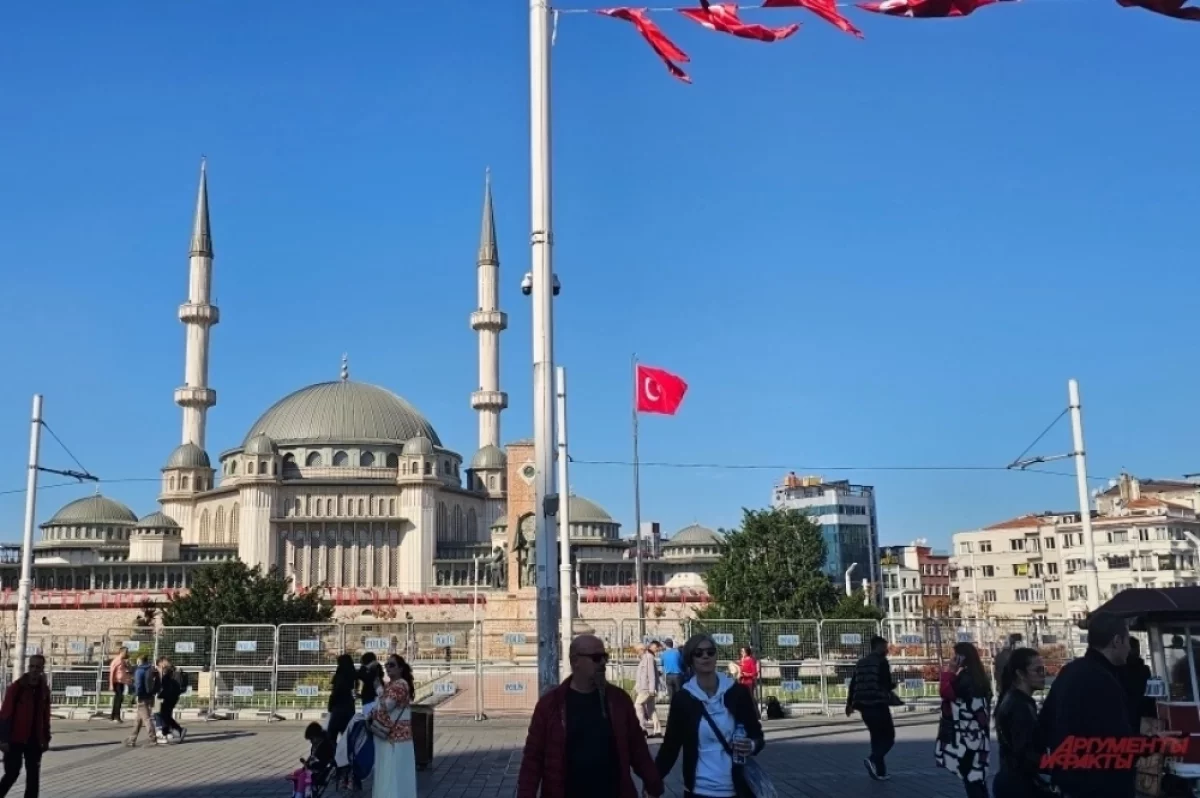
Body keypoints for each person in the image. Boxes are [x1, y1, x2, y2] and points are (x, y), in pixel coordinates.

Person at [517, 634, 663, 798]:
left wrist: (653, 783)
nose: (603, 663)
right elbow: (533, 757)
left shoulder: (618, 700)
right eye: (596, 658)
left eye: (604, 657)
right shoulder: (551, 705)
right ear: (575, 661)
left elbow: (637, 748)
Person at [1038, 611, 1135, 798]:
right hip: (1101, 785)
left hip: (1069, 782)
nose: (1129, 648)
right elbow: (1119, 742)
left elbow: (1044, 725)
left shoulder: (1069, 671)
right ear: (1117, 641)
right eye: (1128, 640)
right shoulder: (1104, 680)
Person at [656, 633, 765, 798]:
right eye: (698, 653)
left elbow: (756, 735)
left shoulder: (737, 692)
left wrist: (751, 745)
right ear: (690, 659)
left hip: (735, 789)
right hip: (699, 790)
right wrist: (653, 781)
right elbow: (670, 746)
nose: (705, 656)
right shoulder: (684, 698)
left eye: (710, 652)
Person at [994, 648, 1054, 798]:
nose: (1043, 675)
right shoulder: (1020, 706)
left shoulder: (1013, 699)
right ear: (1020, 674)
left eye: (1044, 669)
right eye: (1038, 670)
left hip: (1012, 781)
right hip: (1019, 786)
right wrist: (1056, 765)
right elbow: (1025, 753)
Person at [935, 642, 993, 798]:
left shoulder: (965, 678)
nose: (952, 659)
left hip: (966, 733)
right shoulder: (980, 676)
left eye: (954, 655)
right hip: (978, 732)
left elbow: (946, 692)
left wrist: (950, 672)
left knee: (970, 776)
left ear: (962, 657)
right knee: (977, 776)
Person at [846, 636, 897, 781]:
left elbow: (853, 684)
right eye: (884, 647)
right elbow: (886, 684)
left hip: (863, 706)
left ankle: (881, 772)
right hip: (878, 704)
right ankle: (872, 759)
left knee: (876, 738)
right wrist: (893, 685)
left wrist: (849, 704)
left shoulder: (861, 663)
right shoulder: (882, 662)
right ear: (878, 647)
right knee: (889, 738)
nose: (886, 650)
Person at [0, 654, 51, 798]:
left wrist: (46, 738)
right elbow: (5, 714)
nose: (34, 670)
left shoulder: (44, 690)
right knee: (12, 773)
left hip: (35, 740)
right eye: (32, 666)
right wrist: (3, 739)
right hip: (15, 739)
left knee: (33, 777)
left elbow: (46, 716)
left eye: (38, 667)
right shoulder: (17, 688)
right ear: (28, 667)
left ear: (42, 669)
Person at [369, 654, 418, 798]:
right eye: (386, 665)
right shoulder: (391, 685)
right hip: (390, 737)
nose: (388, 668)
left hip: (396, 739)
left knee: (394, 774)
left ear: (400, 668)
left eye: (392, 665)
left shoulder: (400, 685)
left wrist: (379, 689)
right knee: (389, 773)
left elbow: (387, 706)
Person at [125, 654, 161, 748]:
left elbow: (138, 685)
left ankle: (153, 739)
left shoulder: (139, 670)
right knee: (138, 719)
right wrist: (153, 692)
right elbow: (158, 682)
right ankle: (132, 739)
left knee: (146, 719)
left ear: (140, 661)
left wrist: (136, 695)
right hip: (150, 696)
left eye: (137, 661)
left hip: (142, 697)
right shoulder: (152, 669)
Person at [1122, 637, 1153, 733]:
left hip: (1126, 712)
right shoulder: (1144, 669)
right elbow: (1150, 694)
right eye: (1137, 648)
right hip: (1143, 711)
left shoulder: (1119, 669)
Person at [635, 641, 663, 737]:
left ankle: (642, 728)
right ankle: (657, 731)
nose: (637, 653)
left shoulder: (648, 658)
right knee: (651, 709)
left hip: (646, 688)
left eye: (637, 651)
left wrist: (651, 689)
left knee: (638, 705)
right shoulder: (644, 658)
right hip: (645, 688)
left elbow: (651, 674)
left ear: (641, 650)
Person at [327, 654, 357, 742]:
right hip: (349, 706)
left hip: (338, 707)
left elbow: (335, 691)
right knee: (348, 735)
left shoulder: (339, 675)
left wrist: (330, 704)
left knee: (331, 735)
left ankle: (332, 750)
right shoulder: (353, 674)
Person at [156, 658, 186, 743]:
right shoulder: (171, 676)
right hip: (173, 698)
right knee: (166, 716)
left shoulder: (166, 677)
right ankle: (166, 732)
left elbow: (165, 689)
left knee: (165, 716)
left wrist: (159, 696)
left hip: (168, 699)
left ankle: (176, 730)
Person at [108, 648, 132, 723]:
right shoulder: (116, 660)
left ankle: (113, 716)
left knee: (118, 699)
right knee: (119, 698)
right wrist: (111, 684)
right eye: (126, 652)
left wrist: (128, 663)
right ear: (122, 652)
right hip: (117, 682)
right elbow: (112, 672)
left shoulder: (122, 661)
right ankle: (117, 716)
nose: (127, 653)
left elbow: (129, 668)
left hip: (121, 682)